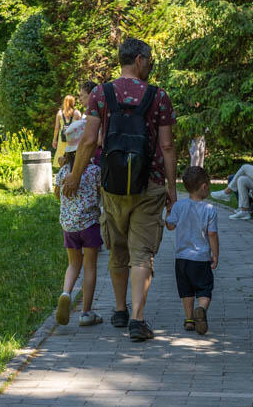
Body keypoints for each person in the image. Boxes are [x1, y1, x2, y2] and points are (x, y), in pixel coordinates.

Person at [61, 38, 178, 342]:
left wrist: (74, 177)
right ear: (139, 60)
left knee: (118, 247)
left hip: (112, 186)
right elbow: (166, 146)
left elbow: (88, 141)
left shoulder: (101, 93)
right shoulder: (159, 97)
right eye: (149, 59)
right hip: (149, 185)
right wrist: (171, 190)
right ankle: (137, 320)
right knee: (142, 253)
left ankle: (118, 309)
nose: (150, 64)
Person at [54, 120, 103, 327]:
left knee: (74, 264)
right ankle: (85, 313)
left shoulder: (63, 172)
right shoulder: (93, 171)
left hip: (69, 226)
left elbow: (57, 195)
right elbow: (102, 193)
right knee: (90, 267)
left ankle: (66, 293)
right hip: (89, 225)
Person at [165, 167, 219, 335]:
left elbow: (170, 226)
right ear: (203, 186)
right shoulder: (210, 209)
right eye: (209, 185)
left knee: (186, 290)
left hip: (181, 258)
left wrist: (168, 210)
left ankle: (189, 319)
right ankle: (201, 309)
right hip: (201, 258)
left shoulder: (179, 206)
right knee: (204, 289)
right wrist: (215, 255)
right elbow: (212, 234)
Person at [52, 94, 82, 165]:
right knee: (74, 157)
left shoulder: (59, 113)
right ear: (73, 102)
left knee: (61, 155)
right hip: (74, 139)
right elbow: (81, 126)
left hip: (62, 138)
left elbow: (57, 128)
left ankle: (62, 172)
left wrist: (54, 140)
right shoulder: (77, 113)